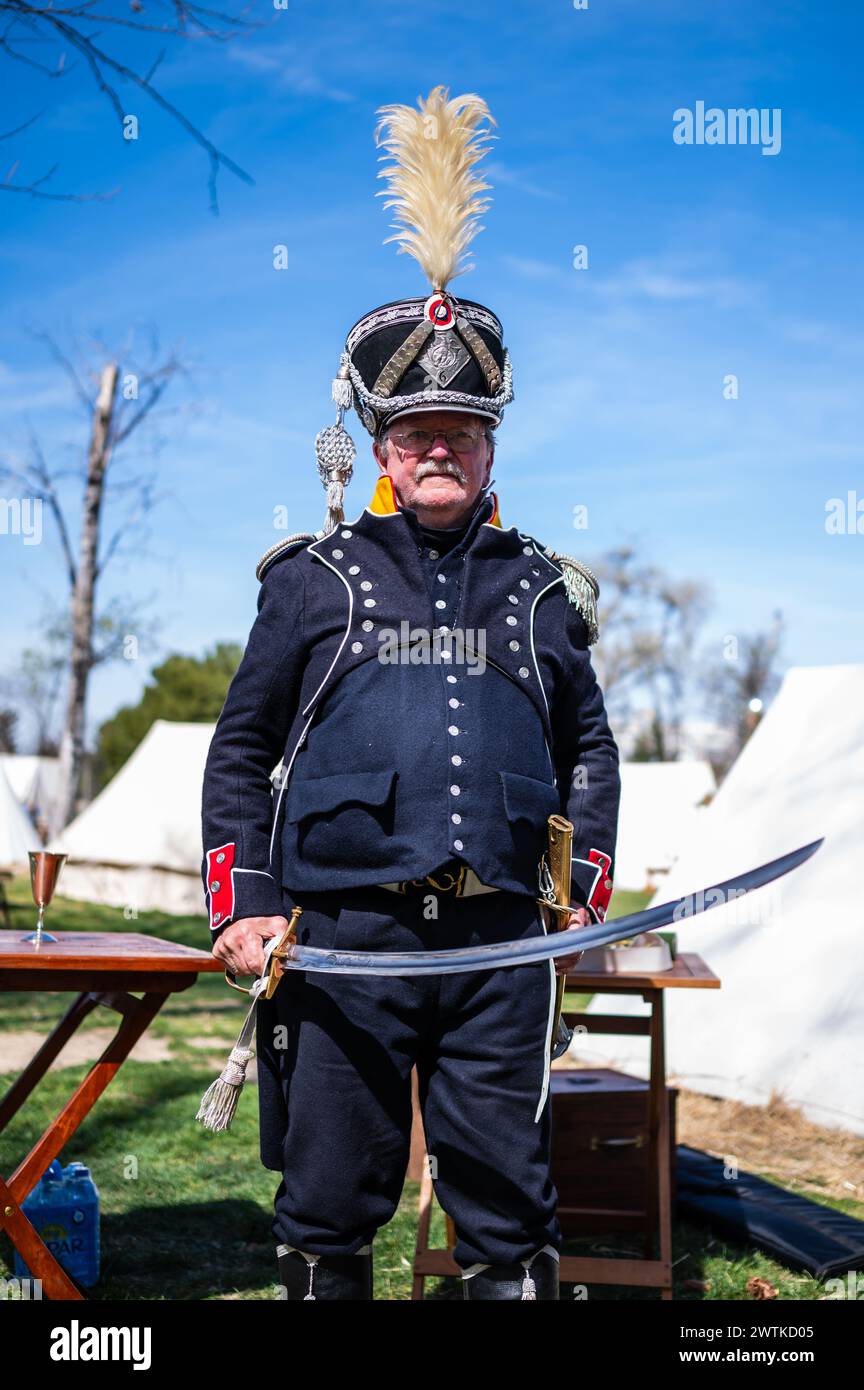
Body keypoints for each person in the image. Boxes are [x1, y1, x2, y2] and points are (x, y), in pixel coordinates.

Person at [201, 86, 621, 1301]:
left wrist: (576, 904)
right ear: (380, 446)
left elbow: (589, 749)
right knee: (330, 1209)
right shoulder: (312, 579)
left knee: (508, 1215)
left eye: (462, 429)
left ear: (492, 445)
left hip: (501, 945)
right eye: (416, 429)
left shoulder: (543, 588)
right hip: (341, 946)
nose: (439, 447)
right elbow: (242, 749)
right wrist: (247, 900)